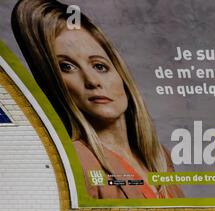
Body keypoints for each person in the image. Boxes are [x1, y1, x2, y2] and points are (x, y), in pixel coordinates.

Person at [11, 0, 184, 199]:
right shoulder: (72, 160)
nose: (92, 81)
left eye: (100, 66)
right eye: (67, 67)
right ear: (56, 85)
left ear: (122, 76)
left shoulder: (159, 157)